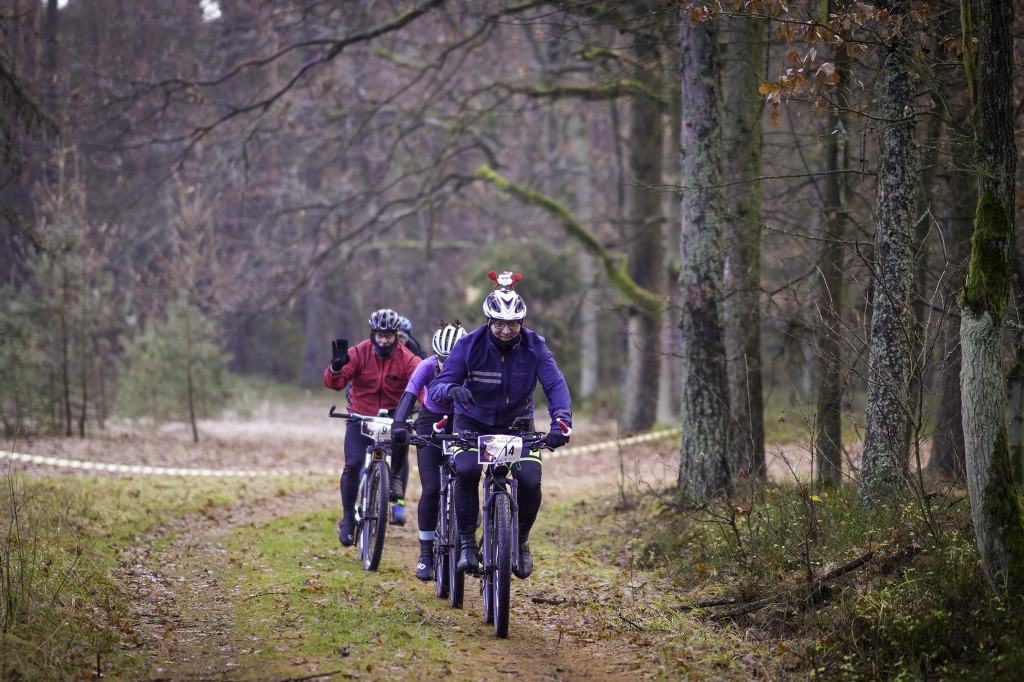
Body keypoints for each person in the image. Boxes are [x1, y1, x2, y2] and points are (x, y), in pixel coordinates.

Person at [428, 271, 572, 579]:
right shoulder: (469, 345)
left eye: (513, 324)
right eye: (499, 324)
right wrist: (453, 390)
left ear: (521, 322)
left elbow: (556, 386)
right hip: (472, 422)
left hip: (518, 424)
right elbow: (439, 385)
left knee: (531, 479)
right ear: (489, 321)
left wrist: (561, 423)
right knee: (466, 471)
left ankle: (520, 542)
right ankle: (467, 543)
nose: (506, 330)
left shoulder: (536, 348)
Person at [324, 308, 422, 546]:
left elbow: (423, 385)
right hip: (361, 418)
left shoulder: (408, 358)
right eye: (379, 335)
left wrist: (424, 412)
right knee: (353, 464)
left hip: (392, 418)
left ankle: (396, 477)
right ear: (372, 333)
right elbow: (334, 383)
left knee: (403, 435)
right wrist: (335, 368)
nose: (383, 340)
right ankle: (348, 518)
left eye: (389, 336)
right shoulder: (358, 353)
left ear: (396, 335)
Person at [391, 321, 468, 580]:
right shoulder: (426, 366)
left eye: (454, 359)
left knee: (466, 477)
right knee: (432, 488)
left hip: (464, 419)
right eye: (444, 360)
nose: (448, 365)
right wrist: (399, 425)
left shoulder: (475, 366)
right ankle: (425, 554)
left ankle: (468, 535)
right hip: (430, 420)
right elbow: (409, 396)